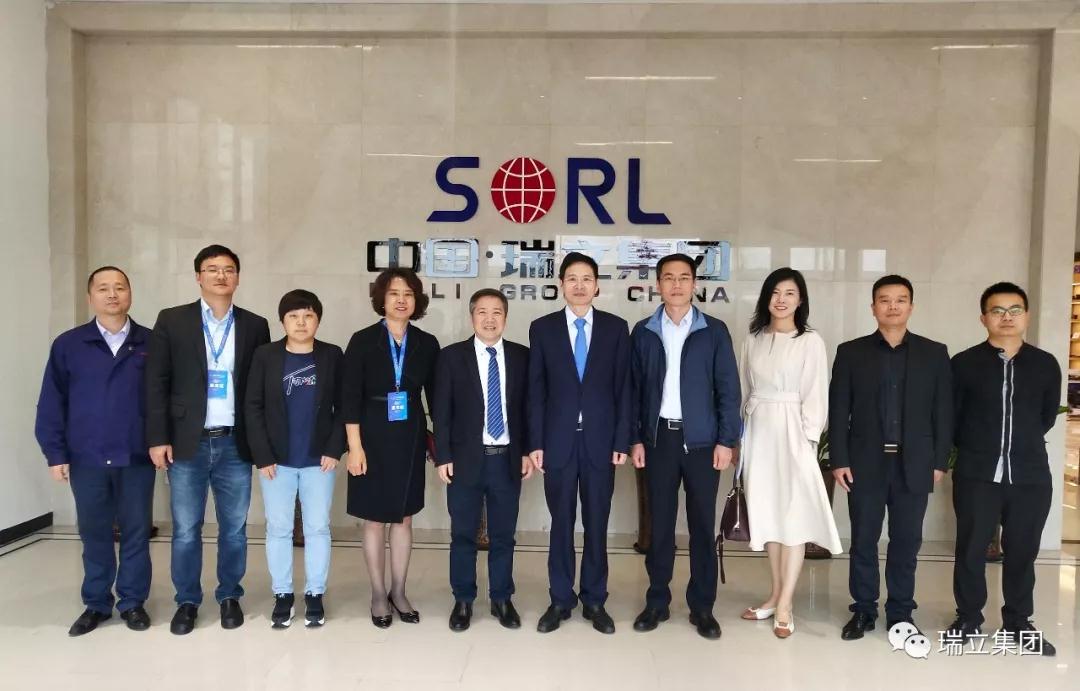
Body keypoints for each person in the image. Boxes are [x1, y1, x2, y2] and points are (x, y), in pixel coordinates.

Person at [146, 245, 271, 635]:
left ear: (238, 277)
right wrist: (158, 437)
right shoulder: (172, 320)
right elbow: (156, 382)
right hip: (187, 443)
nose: (221, 275)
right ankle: (187, 601)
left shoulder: (255, 325)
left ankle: (230, 595)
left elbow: (259, 389)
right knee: (186, 528)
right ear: (198, 276)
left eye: (228, 269)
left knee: (234, 528)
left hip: (235, 443)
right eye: (212, 269)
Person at [34, 266, 156, 636]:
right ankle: (97, 603)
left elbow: (164, 400)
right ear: (91, 297)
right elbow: (52, 402)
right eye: (103, 288)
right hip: (86, 457)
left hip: (136, 456)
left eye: (120, 287)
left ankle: (132, 602)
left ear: (130, 293)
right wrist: (55, 453)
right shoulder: (69, 345)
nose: (112, 294)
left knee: (136, 532)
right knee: (94, 533)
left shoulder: (151, 342)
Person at [829, 274, 951, 640]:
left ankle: (900, 612)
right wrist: (839, 458)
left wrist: (939, 461)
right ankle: (863, 609)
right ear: (873, 307)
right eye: (884, 300)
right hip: (865, 463)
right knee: (863, 540)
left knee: (906, 542)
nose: (892, 306)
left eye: (900, 300)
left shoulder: (934, 353)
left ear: (911, 306)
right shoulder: (851, 352)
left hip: (915, 463)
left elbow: (943, 412)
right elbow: (839, 409)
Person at [628, 254, 740, 640]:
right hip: (659, 439)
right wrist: (635, 438)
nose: (676, 284)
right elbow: (633, 390)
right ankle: (656, 602)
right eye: (669, 278)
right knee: (659, 525)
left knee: (701, 526)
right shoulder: (644, 331)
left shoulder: (714, 331)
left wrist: (727, 440)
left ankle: (702, 607)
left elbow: (728, 390)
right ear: (658, 284)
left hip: (703, 442)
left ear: (694, 284)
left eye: (684, 277)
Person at [948, 282, 1060, 656]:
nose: (1007, 317)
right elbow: (953, 417)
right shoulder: (963, 364)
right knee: (970, 548)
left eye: (1015, 310)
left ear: (1026, 316)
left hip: (1029, 475)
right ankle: (968, 617)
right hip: (977, 473)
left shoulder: (1045, 364)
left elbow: (1046, 416)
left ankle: (1018, 622)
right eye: (997, 310)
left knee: (1023, 550)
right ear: (984, 318)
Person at [527, 251, 631, 635]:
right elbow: (536, 391)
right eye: (572, 278)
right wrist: (536, 442)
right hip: (557, 442)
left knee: (597, 523)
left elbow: (624, 388)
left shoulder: (616, 328)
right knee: (561, 523)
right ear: (561, 285)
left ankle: (594, 599)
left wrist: (622, 439)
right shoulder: (543, 328)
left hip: (601, 443)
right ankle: (560, 599)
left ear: (597, 285)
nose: (579, 285)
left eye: (587, 278)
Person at [737, 267, 841, 639]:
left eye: (790, 293)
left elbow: (816, 394)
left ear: (800, 300)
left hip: (794, 433)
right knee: (767, 514)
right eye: (775, 292)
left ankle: (785, 603)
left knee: (793, 516)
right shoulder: (753, 339)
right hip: (759, 431)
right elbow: (745, 389)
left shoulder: (810, 341)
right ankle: (774, 594)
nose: (781, 300)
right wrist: (741, 437)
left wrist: (808, 440)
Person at [342, 268, 440, 628]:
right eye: (394, 293)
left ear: (417, 301)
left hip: (409, 435)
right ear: (381, 299)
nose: (401, 300)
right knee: (374, 518)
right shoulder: (363, 340)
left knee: (404, 516)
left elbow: (436, 399)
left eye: (408, 294)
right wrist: (354, 447)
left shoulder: (426, 343)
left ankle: (399, 591)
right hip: (370, 435)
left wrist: (441, 444)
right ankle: (378, 594)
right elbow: (349, 397)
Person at [432, 288, 530, 632]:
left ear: (506, 317)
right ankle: (463, 599)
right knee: (463, 534)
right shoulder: (451, 357)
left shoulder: (521, 356)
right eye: (482, 312)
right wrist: (442, 455)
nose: (490, 319)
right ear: (472, 317)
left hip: (506, 459)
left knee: (504, 535)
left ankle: (502, 598)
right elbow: (441, 411)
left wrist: (527, 451)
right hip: (464, 461)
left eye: (497, 312)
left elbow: (528, 409)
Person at [245, 290, 344, 629]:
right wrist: (262, 454)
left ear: (318, 320)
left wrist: (334, 448)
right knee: (278, 528)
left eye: (308, 316)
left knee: (318, 528)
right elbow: (253, 407)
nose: (301, 323)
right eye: (293, 316)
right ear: (282, 321)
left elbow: (344, 406)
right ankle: (283, 594)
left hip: (319, 460)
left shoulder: (332, 355)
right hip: (277, 461)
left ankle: (315, 593)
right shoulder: (265, 356)